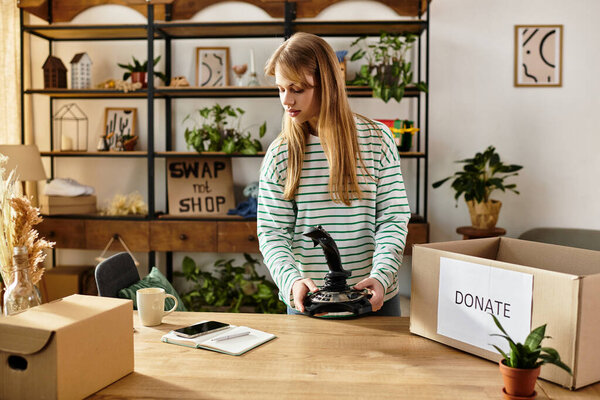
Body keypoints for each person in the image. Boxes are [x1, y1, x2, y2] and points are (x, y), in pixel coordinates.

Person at [257, 32, 410, 317]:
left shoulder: (378, 140)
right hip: (310, 306)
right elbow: (272, 234)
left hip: (375, 300)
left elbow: (393, 218)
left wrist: (381, 276)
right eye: (280, 89)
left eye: (297, 89)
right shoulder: (280, 154)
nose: (286, 100)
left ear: (327, 86)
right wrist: (291, 283)